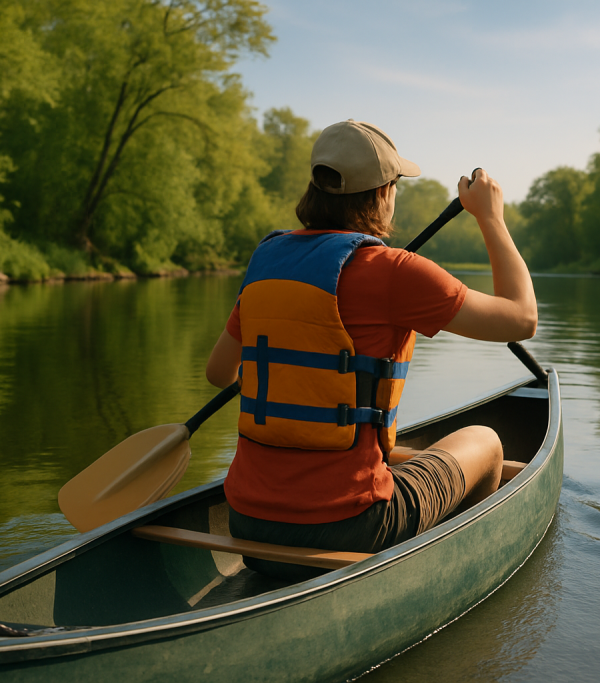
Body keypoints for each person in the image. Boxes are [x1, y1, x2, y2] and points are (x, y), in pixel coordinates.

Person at [205, 120, 537, 579]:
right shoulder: (395, 272)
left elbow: (219, 374)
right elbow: (522, 318)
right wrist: (490, 217)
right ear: (383, 194)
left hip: (246, 524)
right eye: (395, 185)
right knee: (486, 440)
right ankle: (445, 572)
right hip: (353, 528)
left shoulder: (267, 261)